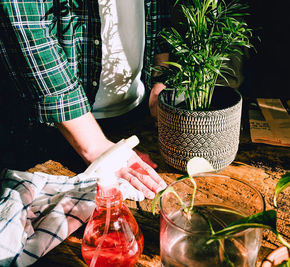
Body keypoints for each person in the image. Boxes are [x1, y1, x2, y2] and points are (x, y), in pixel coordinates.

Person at [0, 0, 170, 199]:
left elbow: (158, 14)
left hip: (134, 118)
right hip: (48, 132)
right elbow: (26, 26)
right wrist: (96, 146)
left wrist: (161, 79)